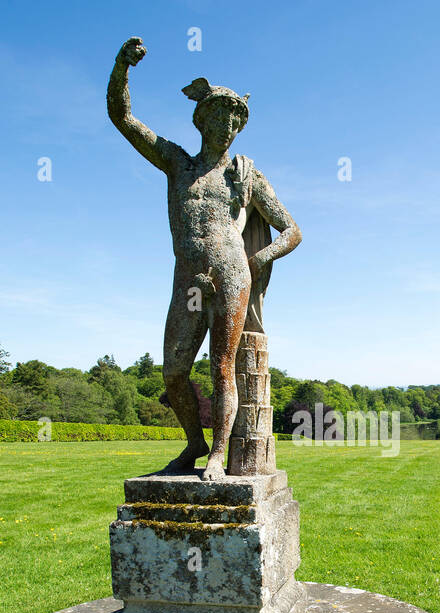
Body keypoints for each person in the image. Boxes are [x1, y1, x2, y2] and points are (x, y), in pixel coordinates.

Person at [107, 37, 301, 479]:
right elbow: (122, 118)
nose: (227, 125)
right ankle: (194, 442)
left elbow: (293, 230)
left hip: (232, 274)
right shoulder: (177, 163)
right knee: (173, 372)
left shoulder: (245, 176)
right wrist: (123, 67)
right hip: (189, 281)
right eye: (219, 116)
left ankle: (218, 454)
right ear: (201, 119)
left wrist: (259, 257)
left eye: (235, 120)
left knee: (221, 369)